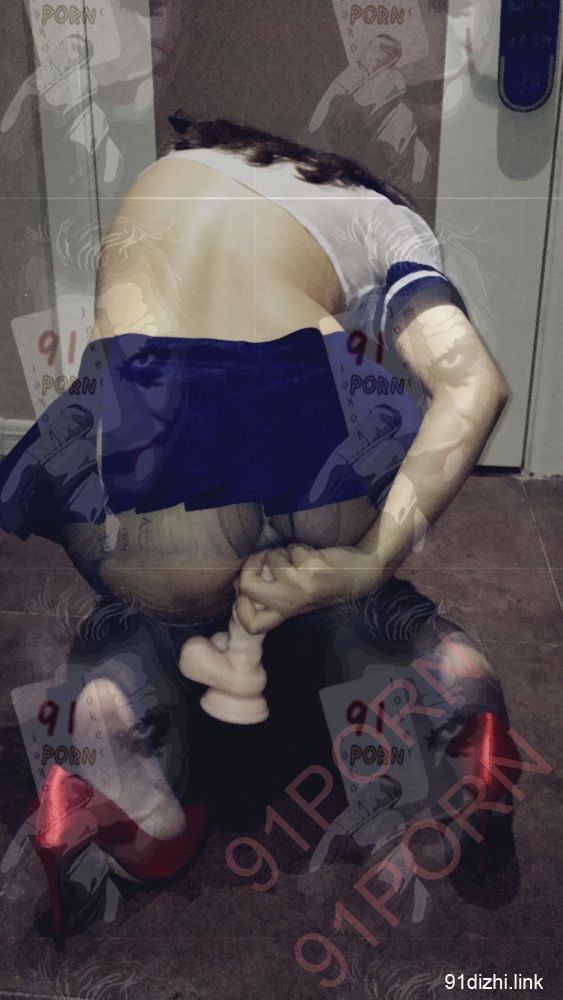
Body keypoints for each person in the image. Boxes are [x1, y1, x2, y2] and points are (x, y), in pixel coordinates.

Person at [0, 118, 518, 941]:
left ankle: (104, 725)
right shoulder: (385, 218)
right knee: (353, 594)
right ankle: (451, 693)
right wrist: (367, 559)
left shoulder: (173, 167)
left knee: (147, 614)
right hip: (304, 417)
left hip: (155, 438)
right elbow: (473, 384)